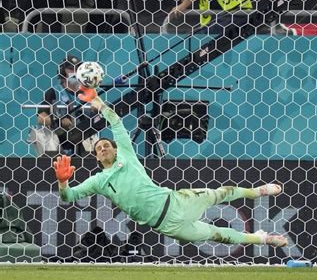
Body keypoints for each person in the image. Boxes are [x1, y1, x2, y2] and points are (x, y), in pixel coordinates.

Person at [53, 89, 288, 248]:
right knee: (219, 235)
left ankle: (257, 191)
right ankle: (262, 239)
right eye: (99, 147)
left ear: (116, 150)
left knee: (221, 193)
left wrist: (99, 103)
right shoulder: (99, 181)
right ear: (96, 157)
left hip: (177, 201)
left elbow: (115, 122)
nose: (103, 147)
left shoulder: (127, 154)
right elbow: (69, 196)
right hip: (168, 225)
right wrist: (63, 182)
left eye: (107, 145)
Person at [36, 55, 98, 156]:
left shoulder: (87, 94)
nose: (74, 71)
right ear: (62, 71)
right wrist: (58, 121)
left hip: (82, 134)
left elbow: (96, 118)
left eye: (77, 69)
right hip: (59, 135)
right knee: (47, 137)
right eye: (70, 68)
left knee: (92, 140)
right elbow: (41, 118)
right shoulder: (53, 92)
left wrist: (96, 109)